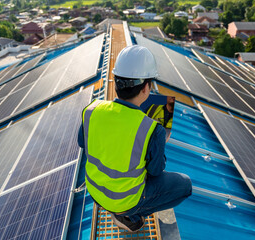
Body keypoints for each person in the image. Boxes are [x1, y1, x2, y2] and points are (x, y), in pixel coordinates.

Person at [78, 45, 192, 232]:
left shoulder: (92, 109)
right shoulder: (153, 129)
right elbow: (155, 172)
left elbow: (83, 143)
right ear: (146, 88)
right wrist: (159, 143)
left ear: (116, 82)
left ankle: (121, 210)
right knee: (185, 185)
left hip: (95, 192)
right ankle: (130, 217)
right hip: (124, 202)